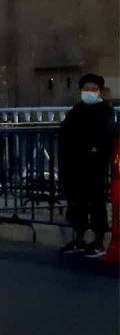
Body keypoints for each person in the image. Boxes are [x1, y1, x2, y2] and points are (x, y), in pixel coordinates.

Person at [59, 74, 118, 257]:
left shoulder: (105, 110)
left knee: (97, 202)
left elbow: (106, 134)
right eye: (86, 89)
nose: (89, 92)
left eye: (93, 89)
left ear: (100, 91)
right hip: (76, 165)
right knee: (77, 203)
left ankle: (98, 241)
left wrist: (95, 150)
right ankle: (79, 239)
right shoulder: (76, 111)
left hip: (95, 165)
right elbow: (66, 133)